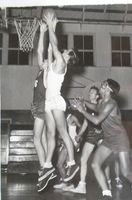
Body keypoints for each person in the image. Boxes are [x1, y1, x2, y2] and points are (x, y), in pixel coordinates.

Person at [73, 79, 132, 200]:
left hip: (120, 140)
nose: (101, 86)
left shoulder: (111, 104)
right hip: (108, 140)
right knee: (95, 164)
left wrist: (82, 110)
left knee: (126, 173)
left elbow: (97, 120)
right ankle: (106, 194)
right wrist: (83, 102)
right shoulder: (102, 102)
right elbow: (94, 106)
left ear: (109, 90)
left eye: (104, 85)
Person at [38, 11, 79, 186]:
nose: (65, 50)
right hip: (48, 102)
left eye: (68, 51)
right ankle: (47, 165)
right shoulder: (55, 62)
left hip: (56, 100)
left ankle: (72, 163)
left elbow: (54, 45)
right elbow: (48, 49)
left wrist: (52, 26)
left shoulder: (62, 63)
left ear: (69, 57)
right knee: (50, 134)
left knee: (63, 132)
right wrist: (45, 31)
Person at [33, 21, 57, 193]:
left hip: (42, 105)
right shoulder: (43, 69)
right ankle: (44, 169)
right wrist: (42, 32)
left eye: (47, 61)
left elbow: (46, 50)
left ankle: (45, 168)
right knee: (40, 139)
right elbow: (39, 51)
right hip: (37, 104)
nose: (43, 61)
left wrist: (51, 31)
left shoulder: (49, 72)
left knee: (36, 138)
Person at [53, 112, 84, 191]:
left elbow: (81, 127)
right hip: (64, 144)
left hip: (71, 144)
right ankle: (66, 182)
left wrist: (79, 141)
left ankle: (70, 184)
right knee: (59, 165)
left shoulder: (72, 117)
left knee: (67, 165)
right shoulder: (59, 118)